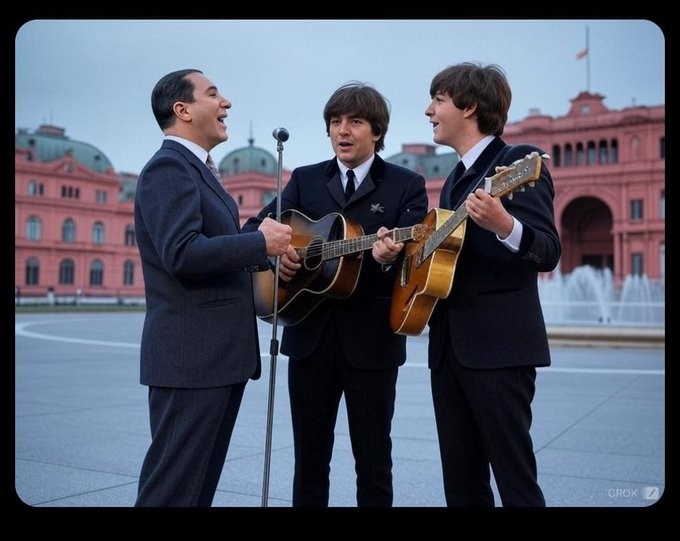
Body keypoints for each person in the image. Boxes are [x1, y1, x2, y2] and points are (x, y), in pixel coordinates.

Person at [243, 82, 428, 507]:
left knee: (374, 462)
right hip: (308, 341)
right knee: (309, 462)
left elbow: (416, 258)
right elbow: (256, 229)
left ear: (377, 132)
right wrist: (279, 259)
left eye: (355, 122)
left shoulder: (406, 185)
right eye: (335, 122)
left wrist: (387, 258)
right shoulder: (305, 179)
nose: (343, 130)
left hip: (373, 346)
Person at [133, 68, 292, 507]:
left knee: (195, 489)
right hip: (191, 360)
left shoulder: (198, 170)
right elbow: (182, 253)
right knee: (172, 490)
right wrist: (260, 242)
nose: (226, 103)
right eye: (213, 94)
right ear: (182, 110)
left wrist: (263, 236)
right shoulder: (169, 166)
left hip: (215, 359)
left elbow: (217, 245)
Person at [417, 62, 561, 506]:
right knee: (461, 485)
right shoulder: (454, 182)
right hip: (448, 352)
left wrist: (505, 225)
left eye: (438, 100)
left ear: (470, 106)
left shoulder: (519, 162)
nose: (429, 110)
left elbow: (548, 251)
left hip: (499, 351)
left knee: (516, 481)